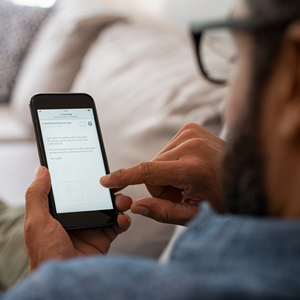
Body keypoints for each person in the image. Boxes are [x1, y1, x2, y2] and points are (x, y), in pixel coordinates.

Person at [2, 0, 300, 298]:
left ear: (293, 83)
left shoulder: (66, 288)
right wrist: (240, 200)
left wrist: (53, 273)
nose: (224, 103)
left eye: (237, 61)